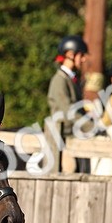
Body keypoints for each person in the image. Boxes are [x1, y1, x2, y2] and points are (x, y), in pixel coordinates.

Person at [47, 33, 89, 173]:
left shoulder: (71, 79)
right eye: (81, 55)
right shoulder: (60, 80)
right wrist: (90, 126)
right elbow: (68, 110)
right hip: (62, 138)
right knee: (70, 168)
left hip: (74, 135)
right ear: (70, 54)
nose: (83, 59)